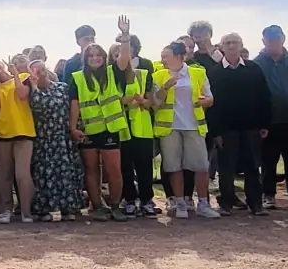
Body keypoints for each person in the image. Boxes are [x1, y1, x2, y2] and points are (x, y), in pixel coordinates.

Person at [151, 42, 218, 219]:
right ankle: (180, 204)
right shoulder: (158, 75)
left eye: (166, 56)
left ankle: (203, 204)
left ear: (179, 56)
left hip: (194, 126)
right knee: (174, 167)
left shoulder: (198, 72)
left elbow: (210, 98)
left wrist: (205, 102)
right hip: (169, 128)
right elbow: (155, 103)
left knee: (201, 167)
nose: (163, 60)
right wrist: (166, 87)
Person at [210, 33, 271, 216]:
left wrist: (265, 124)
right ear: (221, 47)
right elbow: (211, 105)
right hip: (226, 130)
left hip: (251, 127)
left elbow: (264, 97)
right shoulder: (214, 72)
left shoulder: (253, 69)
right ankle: (226, 204)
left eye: (235, 42)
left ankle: (256, 205)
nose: (231, 46)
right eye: (227, 43)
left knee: (252, 167)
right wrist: (216, 132)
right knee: (226, 168)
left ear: (241, 45)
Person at [69, 44, 131, 221]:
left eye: (98, 55)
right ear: (85, 59)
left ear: (104, 57)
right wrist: (73, 128)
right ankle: (97, 206)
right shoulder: (77, 77)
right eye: (90, 55)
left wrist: (125, 37)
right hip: (88, 130)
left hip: (110, 129)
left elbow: (124, 58)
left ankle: (115, 206)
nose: (94, 58)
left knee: (114, 170)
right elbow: (74, 104)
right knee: (92, 169)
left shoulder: (112, 72)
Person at [254, 26, 288, 210]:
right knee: (268, 161)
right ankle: (268, 195)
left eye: (276, 38)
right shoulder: (257, 63)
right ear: (264, 41)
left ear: (283, 38)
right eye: (269, 39)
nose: (273, 42)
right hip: (268, 120)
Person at [27, 60, 80, 221]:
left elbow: (72, 108)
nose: (41, 73)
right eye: (36, 71)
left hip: (63, 136)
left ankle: (68, 209)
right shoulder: (32, 92)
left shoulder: (63, 88)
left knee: (66, 172)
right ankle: (44, 210)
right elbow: (37, 106)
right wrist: (34, 86)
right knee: (44, 174)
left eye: (43, 69)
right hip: (44, 138)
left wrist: (73, 129)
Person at [111, 38, 157, 217]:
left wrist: (144, 101)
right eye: (115, 54)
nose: (120, 56)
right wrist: (123, 101)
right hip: (121, 126)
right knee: (125, 166)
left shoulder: (144, 71)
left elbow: (151, 98)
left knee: (145, 165)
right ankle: (129, 199)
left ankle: (147, 200)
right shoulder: (110, 74)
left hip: (141, 125)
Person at [0, 58, 36, 224]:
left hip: (24, 132)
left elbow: (22, 95)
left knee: (22, 174)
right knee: (3, 175)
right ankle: (6, 209)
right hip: (2, 134)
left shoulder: (23, 76)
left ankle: (26, 210)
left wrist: (14, 74)